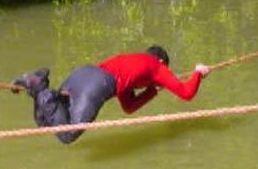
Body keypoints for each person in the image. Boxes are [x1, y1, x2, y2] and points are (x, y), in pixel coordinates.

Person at [12, 46, 211, 144]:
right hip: (97, 84)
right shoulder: (156, 66)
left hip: (81, 75)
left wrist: (151, 91)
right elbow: (186, 93)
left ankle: (33, 85)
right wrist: (198, 73)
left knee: (46, 124)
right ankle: (38, 85)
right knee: (67, 134)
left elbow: (128, 107)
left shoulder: (133, 63)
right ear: (160, 60)